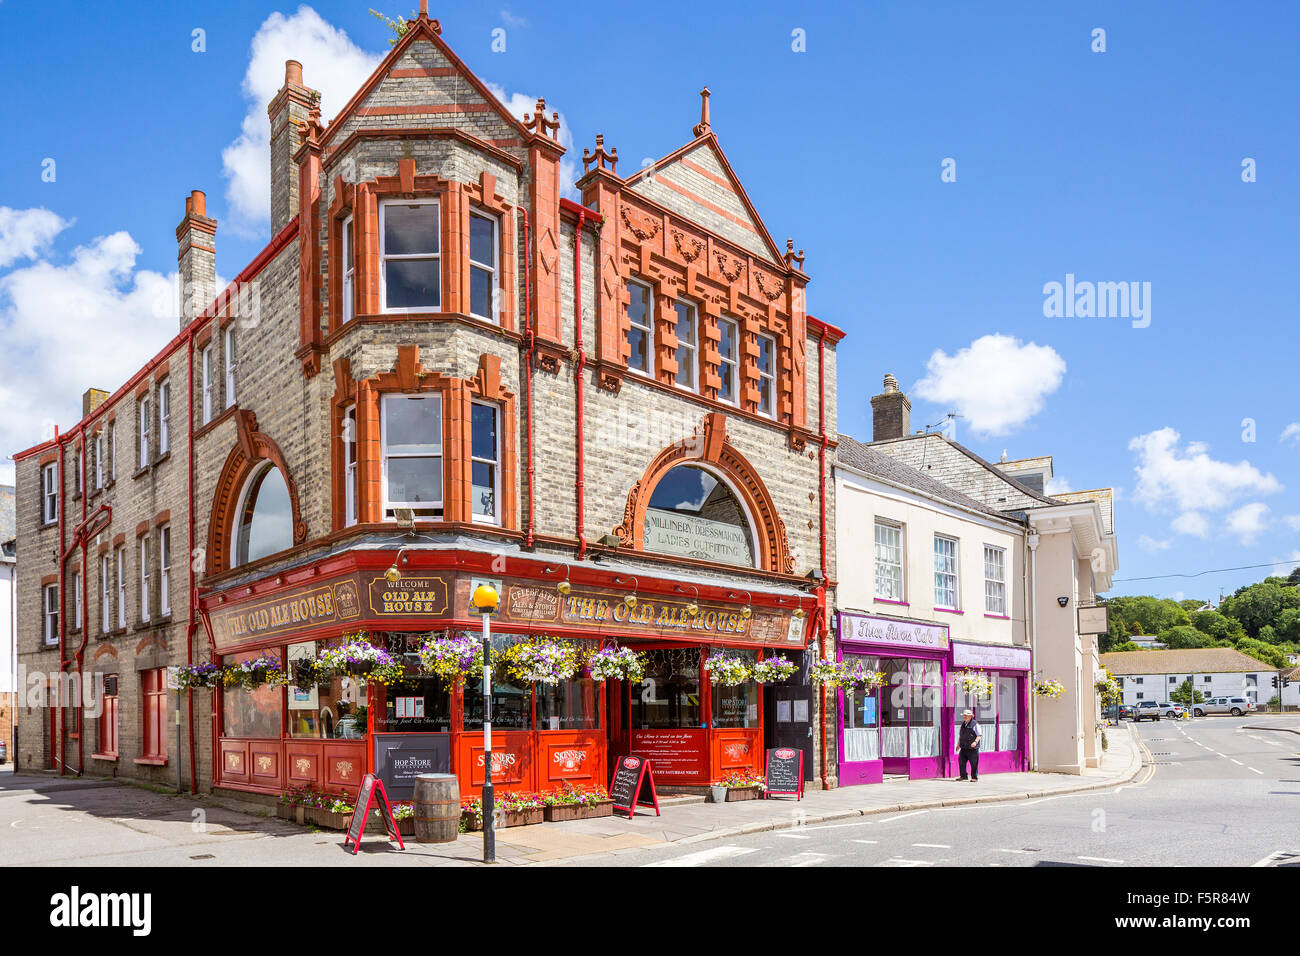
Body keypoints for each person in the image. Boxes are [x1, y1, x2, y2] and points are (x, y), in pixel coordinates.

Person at [956, 708, 981, 781]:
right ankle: (963, 776)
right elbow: (961, 735)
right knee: (961, 762)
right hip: (964, 747)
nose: (964, 717)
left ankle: (974, 777)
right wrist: (958, 744)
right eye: (964, 716)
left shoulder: (975, 724)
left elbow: (979, 735)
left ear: (970, 716)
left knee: (974, 763)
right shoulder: (963, 724)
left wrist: (975, 742)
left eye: (966, 715)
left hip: (972, 748)